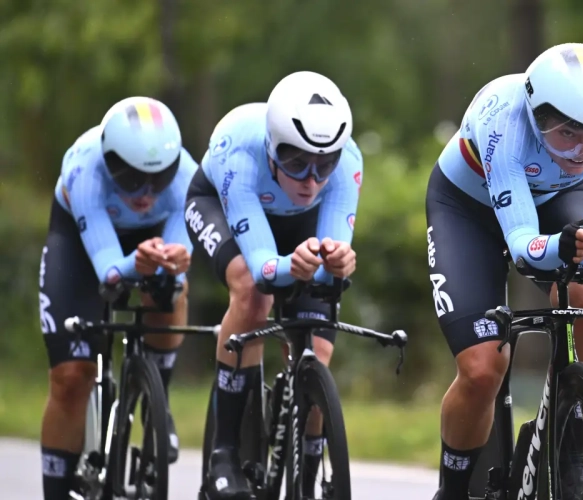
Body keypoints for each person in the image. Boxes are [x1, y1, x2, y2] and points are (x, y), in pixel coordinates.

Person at [425, 43, 583, 499]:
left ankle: (571, 442)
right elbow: (524, 248)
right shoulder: (505, 122)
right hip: (466, 210)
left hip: (548, 200)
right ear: (537, 115)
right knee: (484, 369)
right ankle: (453, 489)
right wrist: (565, 244)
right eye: (568, 133)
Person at [186, 70, 362, 500]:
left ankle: (305, 475)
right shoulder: (239, 155)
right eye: (296, 161)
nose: (311, 179)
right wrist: (294, 266)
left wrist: (338, 263)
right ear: (270, 149)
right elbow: (266, 268)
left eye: (323, 165)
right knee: (251, 293)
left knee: (317, 351)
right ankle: (223, 452)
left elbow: (328, 271)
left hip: (295, 225)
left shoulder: (347, 162)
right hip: (220, 204)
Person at [38, 96, 198, 500]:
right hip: (81, 241)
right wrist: (133, 268)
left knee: (172, 289)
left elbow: (179, 255)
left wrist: (173, 264)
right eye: (129, 179)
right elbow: (109, 271)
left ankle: (156, 403)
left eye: (158, 179)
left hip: (152, 238)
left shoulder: (188, 178)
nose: (145, 193)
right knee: (71, 377)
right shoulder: (85, 169)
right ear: (109, 164)